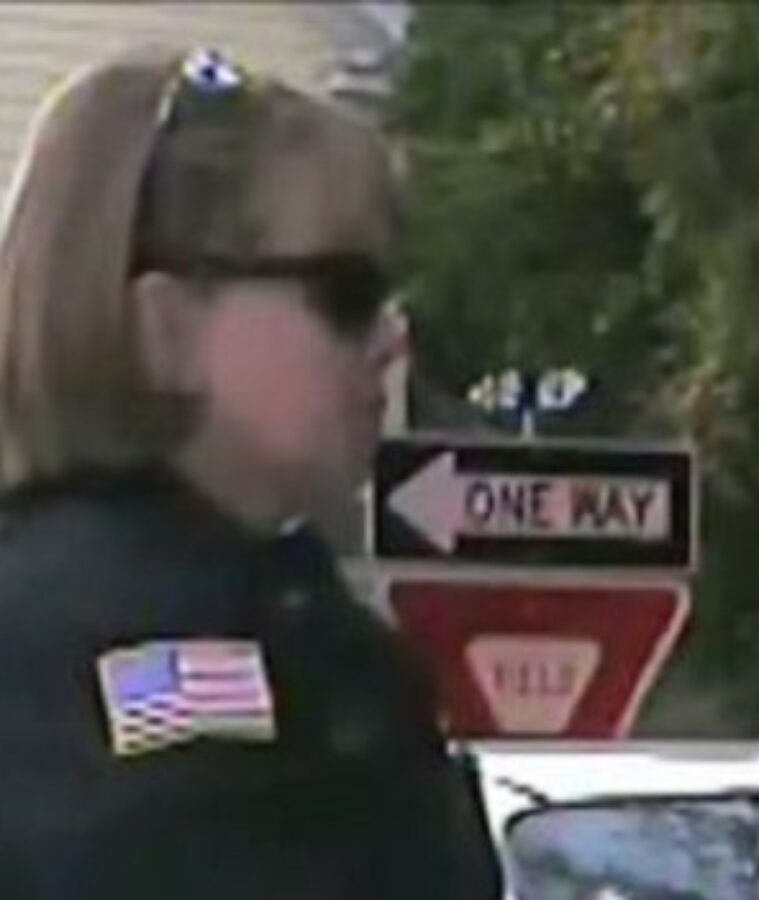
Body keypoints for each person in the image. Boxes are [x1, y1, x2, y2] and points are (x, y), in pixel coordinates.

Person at [0, 45, 501, 898]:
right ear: (166, 326)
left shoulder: (305, 628)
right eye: (345, 295)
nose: (392, 338)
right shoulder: (92, 672)